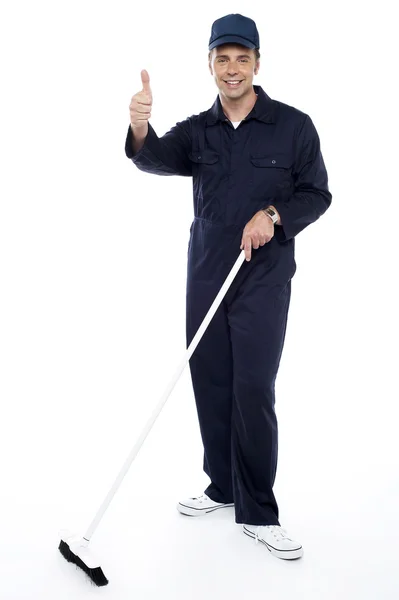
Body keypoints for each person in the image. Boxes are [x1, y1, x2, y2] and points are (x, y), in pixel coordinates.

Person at [125, 13, 332, 561]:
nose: (232, 68)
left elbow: (317, 193)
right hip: (206, 273)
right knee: (211, 380)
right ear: (211, 65)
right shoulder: (198, 130)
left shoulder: (293, 126)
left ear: (258, 63)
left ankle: (259, 511)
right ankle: (222, 485)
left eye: (242, 58)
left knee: (253, 387)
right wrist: (142, 125)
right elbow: (154, 159)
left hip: (263, 279)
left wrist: (273, 214)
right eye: (223, 58)